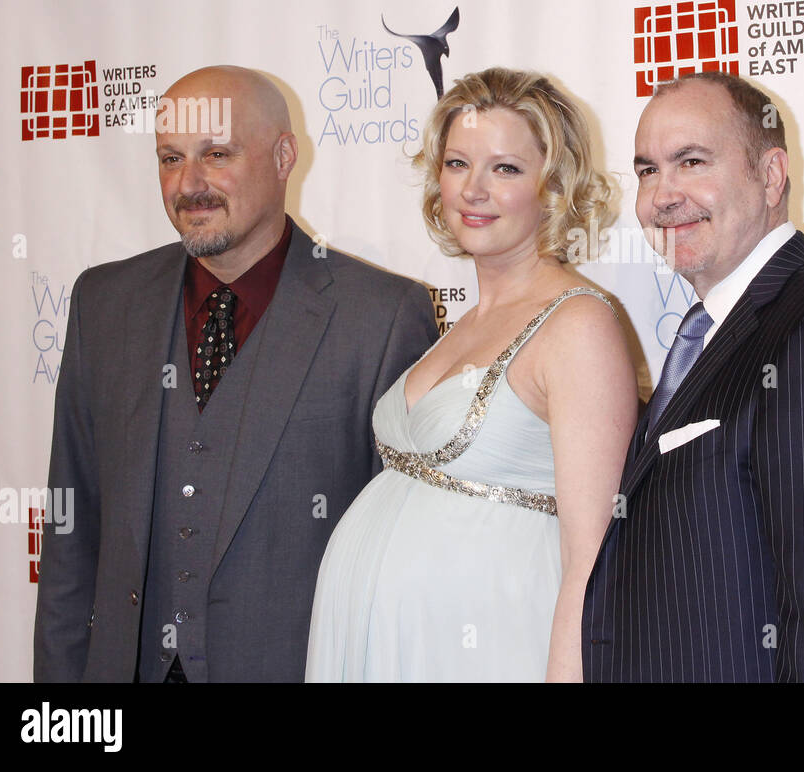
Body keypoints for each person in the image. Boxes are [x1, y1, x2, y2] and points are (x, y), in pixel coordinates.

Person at [33, 65, 437, 682]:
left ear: (283, 156)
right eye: (170, 159)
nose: (188, 184)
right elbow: (71, 536)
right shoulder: (103, 303)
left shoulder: (381, 317)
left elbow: (402, 561)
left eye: (216, 154)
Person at [581, 72, 804, 682]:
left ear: (771, 176)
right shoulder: (713, 330)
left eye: (691, 162)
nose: (662, 195)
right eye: (647, 170)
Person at [305, 67, 636, 682]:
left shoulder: (579, 326)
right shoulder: (461, 322)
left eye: (505, 168)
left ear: (554, 185)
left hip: (493, 647)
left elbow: (592, 558)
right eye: (458, 163)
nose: (473, 190)